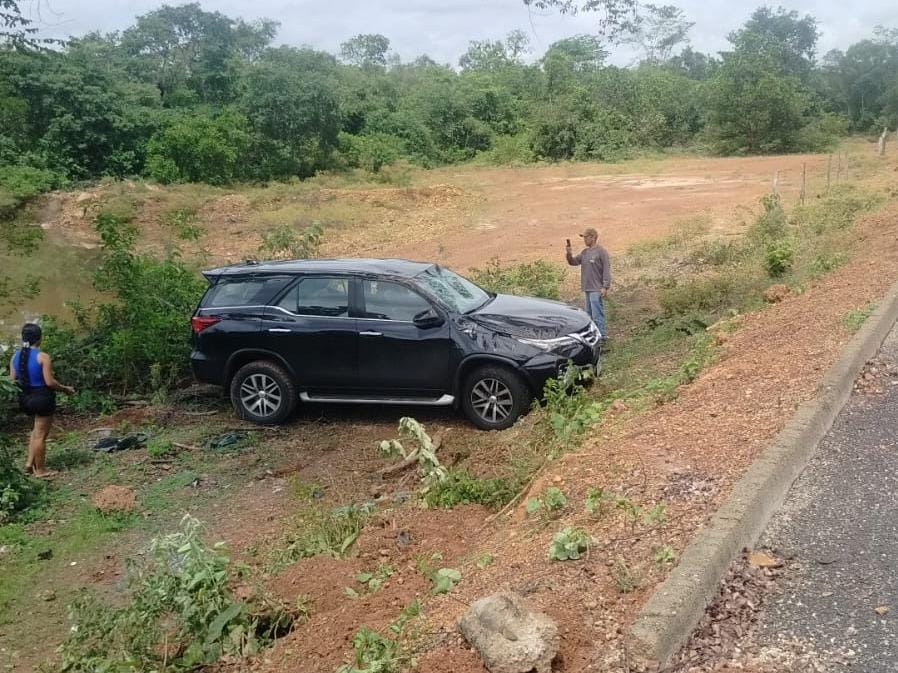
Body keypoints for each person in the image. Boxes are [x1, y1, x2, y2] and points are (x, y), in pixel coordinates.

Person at [8, 323, 74, 477]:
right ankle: (41, 471)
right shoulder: (43, 357)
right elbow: (50, 382)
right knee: (40, 435)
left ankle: (29, 464)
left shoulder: (15, 356)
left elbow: (12, 381)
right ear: (39, 339)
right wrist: (65, 389)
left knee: (35, 431)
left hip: (24, 398)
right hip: (42, 398)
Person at [566, 227, 612, 337]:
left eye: (586, 237)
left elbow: (606, 269)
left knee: (597, 315)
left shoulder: (601, 252)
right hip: (587, 288)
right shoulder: (585, 252)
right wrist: (568, 254)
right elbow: (573, 262)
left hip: (596, 289)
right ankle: (593, 337)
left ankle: (602, 337)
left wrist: (605, 286)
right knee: (589, 316)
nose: (584, 240)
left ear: (593, 237)